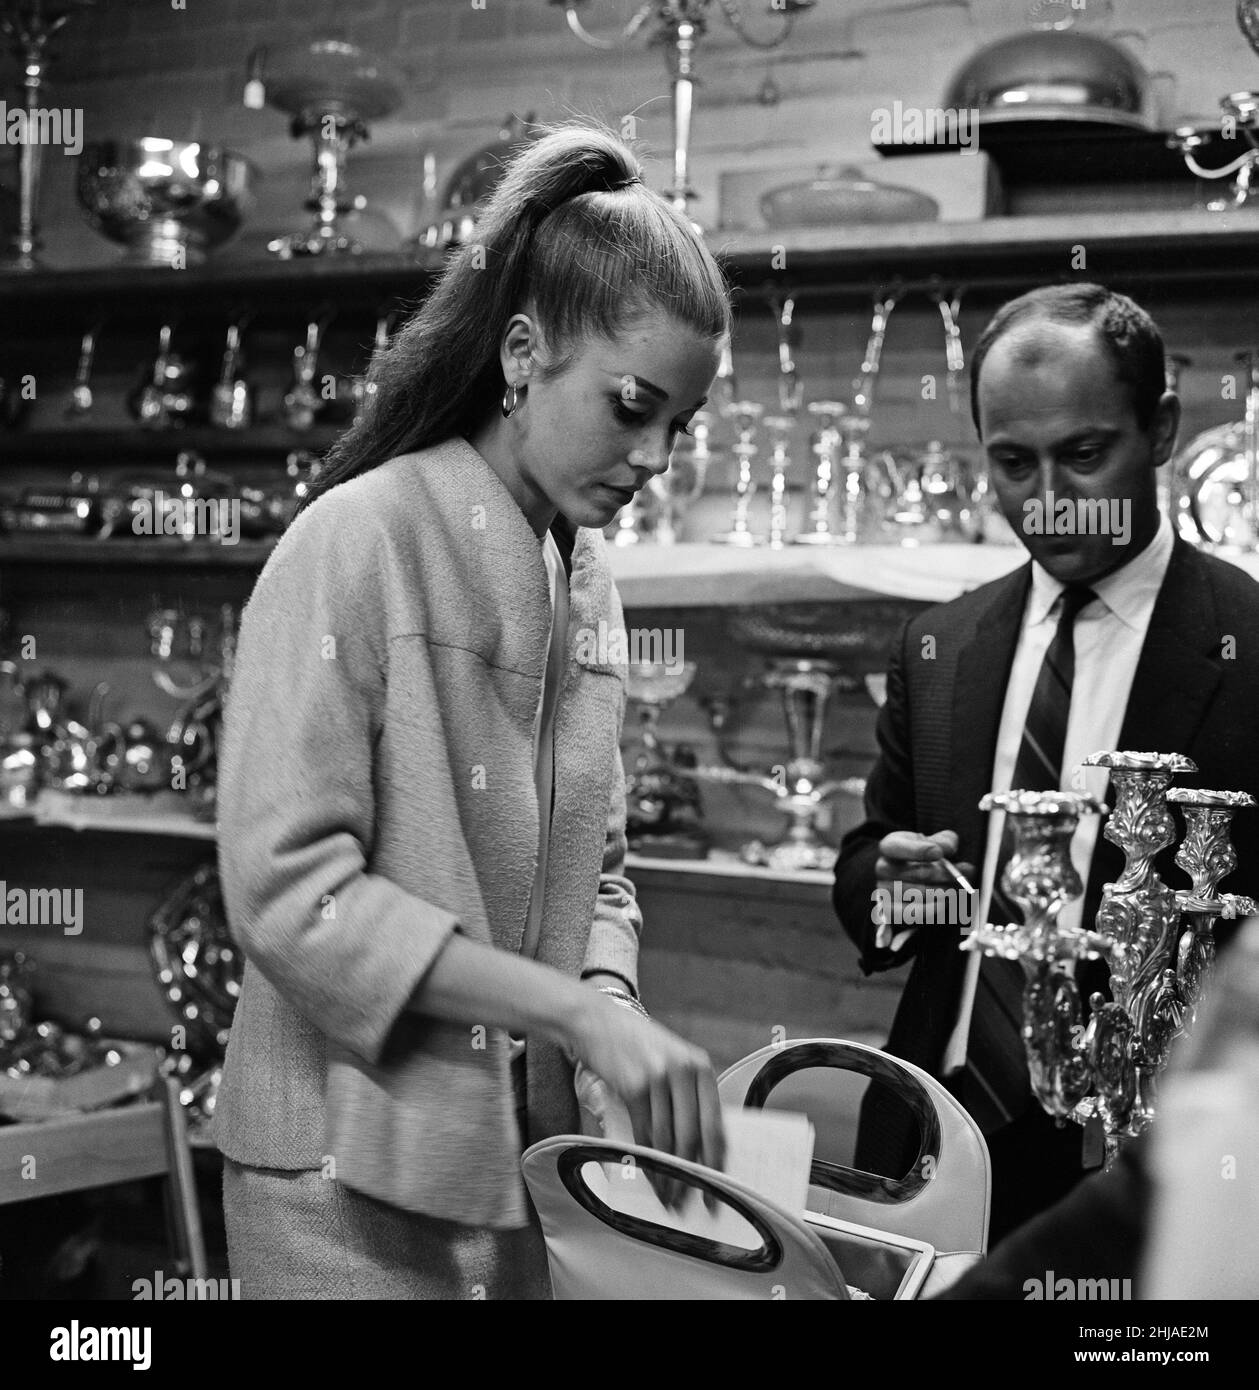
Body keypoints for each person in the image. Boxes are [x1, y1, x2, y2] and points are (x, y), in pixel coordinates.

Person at [212, 123, 730, 1299]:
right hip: (334, 1184)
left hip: (519, 1171)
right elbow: (291, 893)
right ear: (520, 353)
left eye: (679, 426)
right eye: (632, 405)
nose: (654, 457)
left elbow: (596, 868)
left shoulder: (583, 574)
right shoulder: (355, 540)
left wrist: (602, 998)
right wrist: (573, 1015)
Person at [832, 283, 1259, 1244]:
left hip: (1151, 1166)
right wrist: (895, 886)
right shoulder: (937, 646)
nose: (1048, 501)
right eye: (1012, 465)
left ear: (1159, 429)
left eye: (1081, 455)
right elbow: (866, 869)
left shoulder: (1247, 645)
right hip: (930, 1138)